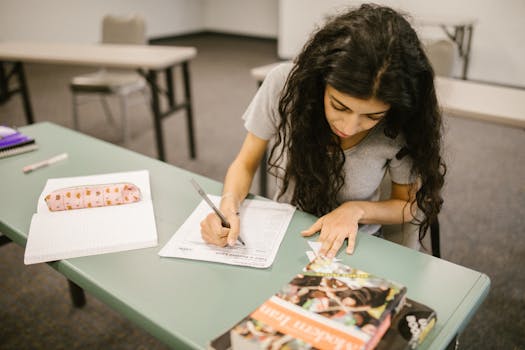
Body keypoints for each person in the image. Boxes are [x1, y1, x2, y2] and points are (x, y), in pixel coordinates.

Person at [200, 4, 446, 258]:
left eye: (373, 116)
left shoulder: (401, 122)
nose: (348, 127)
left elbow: (407, 205)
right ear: (320, 83)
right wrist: (229, 204)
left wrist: (356, 210)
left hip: (357, 244)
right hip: (285, 230)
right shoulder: (285, 86)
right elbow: (245, 162)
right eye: (339, 106)